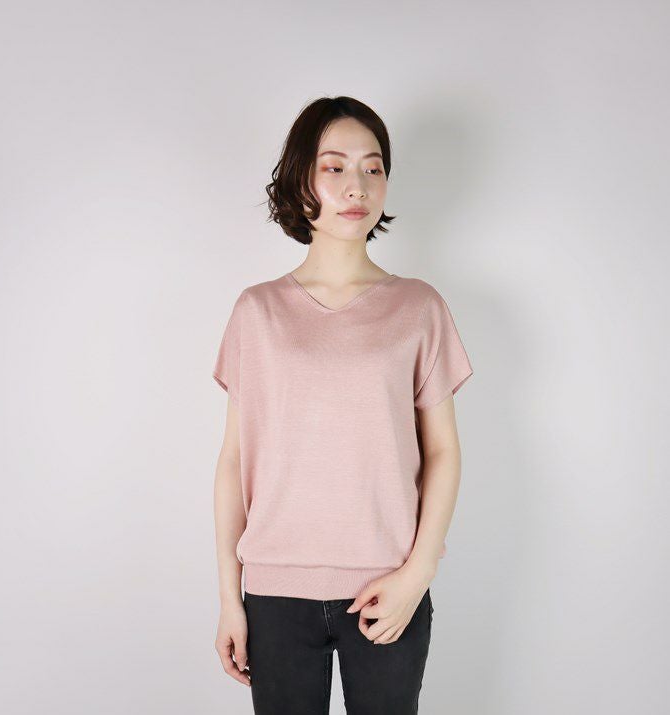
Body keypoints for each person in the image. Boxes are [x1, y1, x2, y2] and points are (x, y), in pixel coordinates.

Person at [211, 96, 474, 714]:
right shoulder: (257, 311)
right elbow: (234, 461)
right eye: (334, 167)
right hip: (275, 593)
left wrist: (417, 575)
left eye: (373, 167)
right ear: (301, 178)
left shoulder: (419, 307)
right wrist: (229, 598)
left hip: (389, 590)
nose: (357, 185)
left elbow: (443, 451)